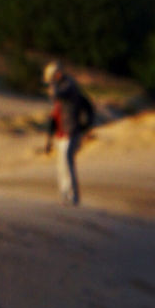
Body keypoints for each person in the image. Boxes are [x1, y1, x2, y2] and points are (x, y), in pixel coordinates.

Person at [42, 61, 97, 207]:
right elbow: (55, 111)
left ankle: (73, 196)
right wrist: (49, 138)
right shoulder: (61, 87)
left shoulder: (69, 85)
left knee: (67, 162)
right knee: (61, 165)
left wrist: (52, 84)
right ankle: (65, 195)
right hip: (61, 133)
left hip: (71, 131)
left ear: (58, 74)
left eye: (52, 77)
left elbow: (57, 95)